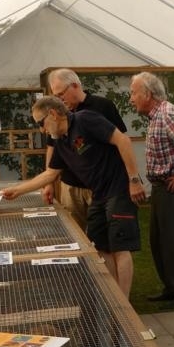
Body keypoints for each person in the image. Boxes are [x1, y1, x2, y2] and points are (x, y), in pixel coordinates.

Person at [1, 95, 146, 298]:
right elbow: (50, 174)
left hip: (119, 188)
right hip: (99, 194)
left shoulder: (85, 119)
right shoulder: (61, 142)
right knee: (100, 246)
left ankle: (124, 305)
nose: (42, 130)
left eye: (41, 123)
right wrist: (17, 191)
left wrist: (134, 179)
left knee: (120, 247)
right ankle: (115, 298)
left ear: (53, 114)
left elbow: (123, 140)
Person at [129, 71, 174, 308]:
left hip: (172, 190)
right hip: (162, 188)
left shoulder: (167, 113)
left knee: (172, 243)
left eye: (133, 93)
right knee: (160, 242)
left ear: (147, 94)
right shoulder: (157, 116)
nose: (131, 99)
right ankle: (172, 288)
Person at [43, 69, 128, 230]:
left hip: (100, 186)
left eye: (61, 94)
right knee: (74, 231)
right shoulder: (58, 112)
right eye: (56, 96)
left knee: (105, 234)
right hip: (71, 185)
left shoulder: (103, 106)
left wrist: (129, 178)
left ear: (75, 85)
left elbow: (121, 141)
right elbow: (52, 147)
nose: (59, 99)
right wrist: (49, 183)